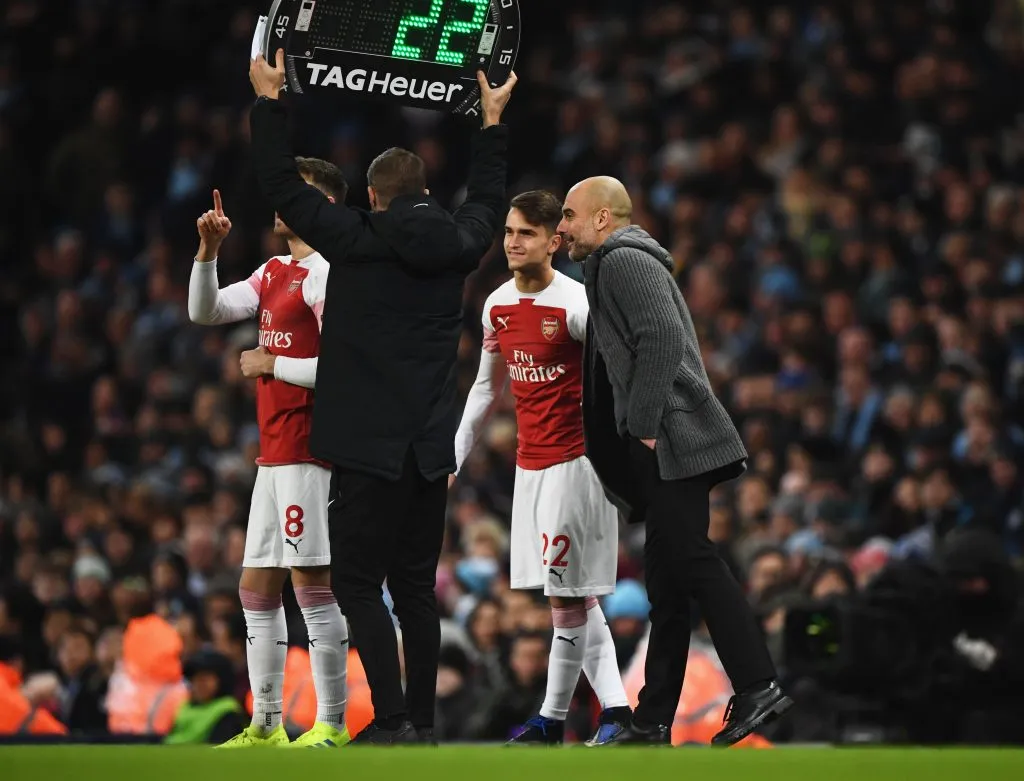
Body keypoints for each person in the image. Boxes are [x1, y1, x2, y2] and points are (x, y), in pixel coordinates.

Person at [247, 50, 517, 744]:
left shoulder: (355, 239)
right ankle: (422, 722)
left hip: (366, 449)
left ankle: (391, 717)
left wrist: (272, 102)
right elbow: (488, 200)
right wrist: (490, 122)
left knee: (358, 583)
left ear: (373, 196)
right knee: (418, 588)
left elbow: (282, 182)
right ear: (423, 190)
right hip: (428, 447)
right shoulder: (460, 242)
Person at [557, 176, 793, 746]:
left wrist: (639, 423)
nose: (561, 228)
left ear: (602, 219)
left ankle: (759, 683)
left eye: (568, 215)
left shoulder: (621, 260)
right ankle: (654, 715)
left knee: (692, 560)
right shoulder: (619, 261)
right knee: (667, 581)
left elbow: (660, 337)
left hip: (672, 440)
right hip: (669, 440)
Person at [452, 190, 631, 745]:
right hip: (529, 469)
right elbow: (486, 388)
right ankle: (619, 713)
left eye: (525, 233)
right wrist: (454, 453)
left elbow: (617, 383)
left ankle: (552, 719)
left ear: (554, 242)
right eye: (508, 231)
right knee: (575, 596)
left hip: (576, 465)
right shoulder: (496, 304)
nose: (512, 241)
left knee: (563, 599)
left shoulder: (577, 305)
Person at [187, 163, 350, 749]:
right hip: (273, 455)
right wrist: (208, 252)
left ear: (326, 202)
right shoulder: (274, 270)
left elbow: (343, 371)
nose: (280, 199)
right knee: (256, 588)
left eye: (296, 190)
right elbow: (204, 312)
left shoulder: (328, 273)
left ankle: (332, 723)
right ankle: (267, 724)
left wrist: (270, 364)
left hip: (311, 453)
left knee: (313, 587)